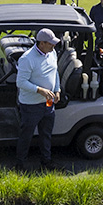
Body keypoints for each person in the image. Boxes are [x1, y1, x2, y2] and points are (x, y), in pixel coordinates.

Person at [15, 28, 61, 171]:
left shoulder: (51, 53)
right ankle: (20, 165)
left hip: (48, 103)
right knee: (26, 136)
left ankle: (46, 162)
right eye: (50, 43)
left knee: (46, 134)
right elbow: (21, 82)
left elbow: (55, 72)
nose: (54, 46)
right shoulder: (27, 59)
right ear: (41, 43)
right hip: (31, 105)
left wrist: (57, 89)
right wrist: (40, 90)